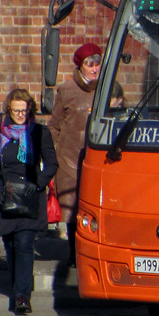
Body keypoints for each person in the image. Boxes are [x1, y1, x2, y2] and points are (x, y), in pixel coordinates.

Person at [1, 88, 58, 314]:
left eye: (24, 111)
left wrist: (38, 184)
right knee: (11, 245)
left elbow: (52, 163)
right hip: (5, 196)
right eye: (16, 111)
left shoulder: (39, 133)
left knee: (24, 244)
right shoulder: (1, 133)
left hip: (29, 198)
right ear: (8, 110)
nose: (20, 115)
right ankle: (19, 287)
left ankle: (22, 296)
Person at [48, 42, 102, 264]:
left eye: (97, 64)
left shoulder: (104, 89)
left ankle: (93, 250)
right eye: (90, 64)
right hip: (70, 159)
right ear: (80, 66)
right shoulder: (67, 90)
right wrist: (51, 155)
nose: (95, 69)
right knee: (72, 207)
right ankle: (74, 253)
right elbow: (54, 126)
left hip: (95, 157)